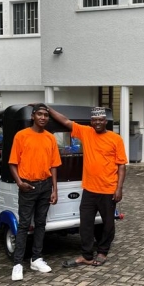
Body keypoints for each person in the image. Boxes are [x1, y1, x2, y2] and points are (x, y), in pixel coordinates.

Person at [47, 106, 127, 268]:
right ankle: (86, 255)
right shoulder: (86, 132)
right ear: (92, 122)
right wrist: (47, 109)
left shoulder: (115, 139)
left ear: (105, 121)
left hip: (108, 190)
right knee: (85, 224)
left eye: (101, 120)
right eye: (95, 120)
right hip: (89, 189)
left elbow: (121, 166)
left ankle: (103, 252)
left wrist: (119, 188)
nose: (98, 123)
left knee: (108, 224)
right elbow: (65, 121)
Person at [8, 103, 61, 281]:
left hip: (45, 186)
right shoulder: (21, 136)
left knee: (40, 224)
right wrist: (19, 183)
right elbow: (12, 163)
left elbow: (54, 166)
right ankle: (17, 264)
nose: (43, 118)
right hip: (27, 186)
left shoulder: (50, 138)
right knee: (24, 225)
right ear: (33, 116)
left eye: (45, 115)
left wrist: (55, 189)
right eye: (39, 114)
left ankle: (36, 258)